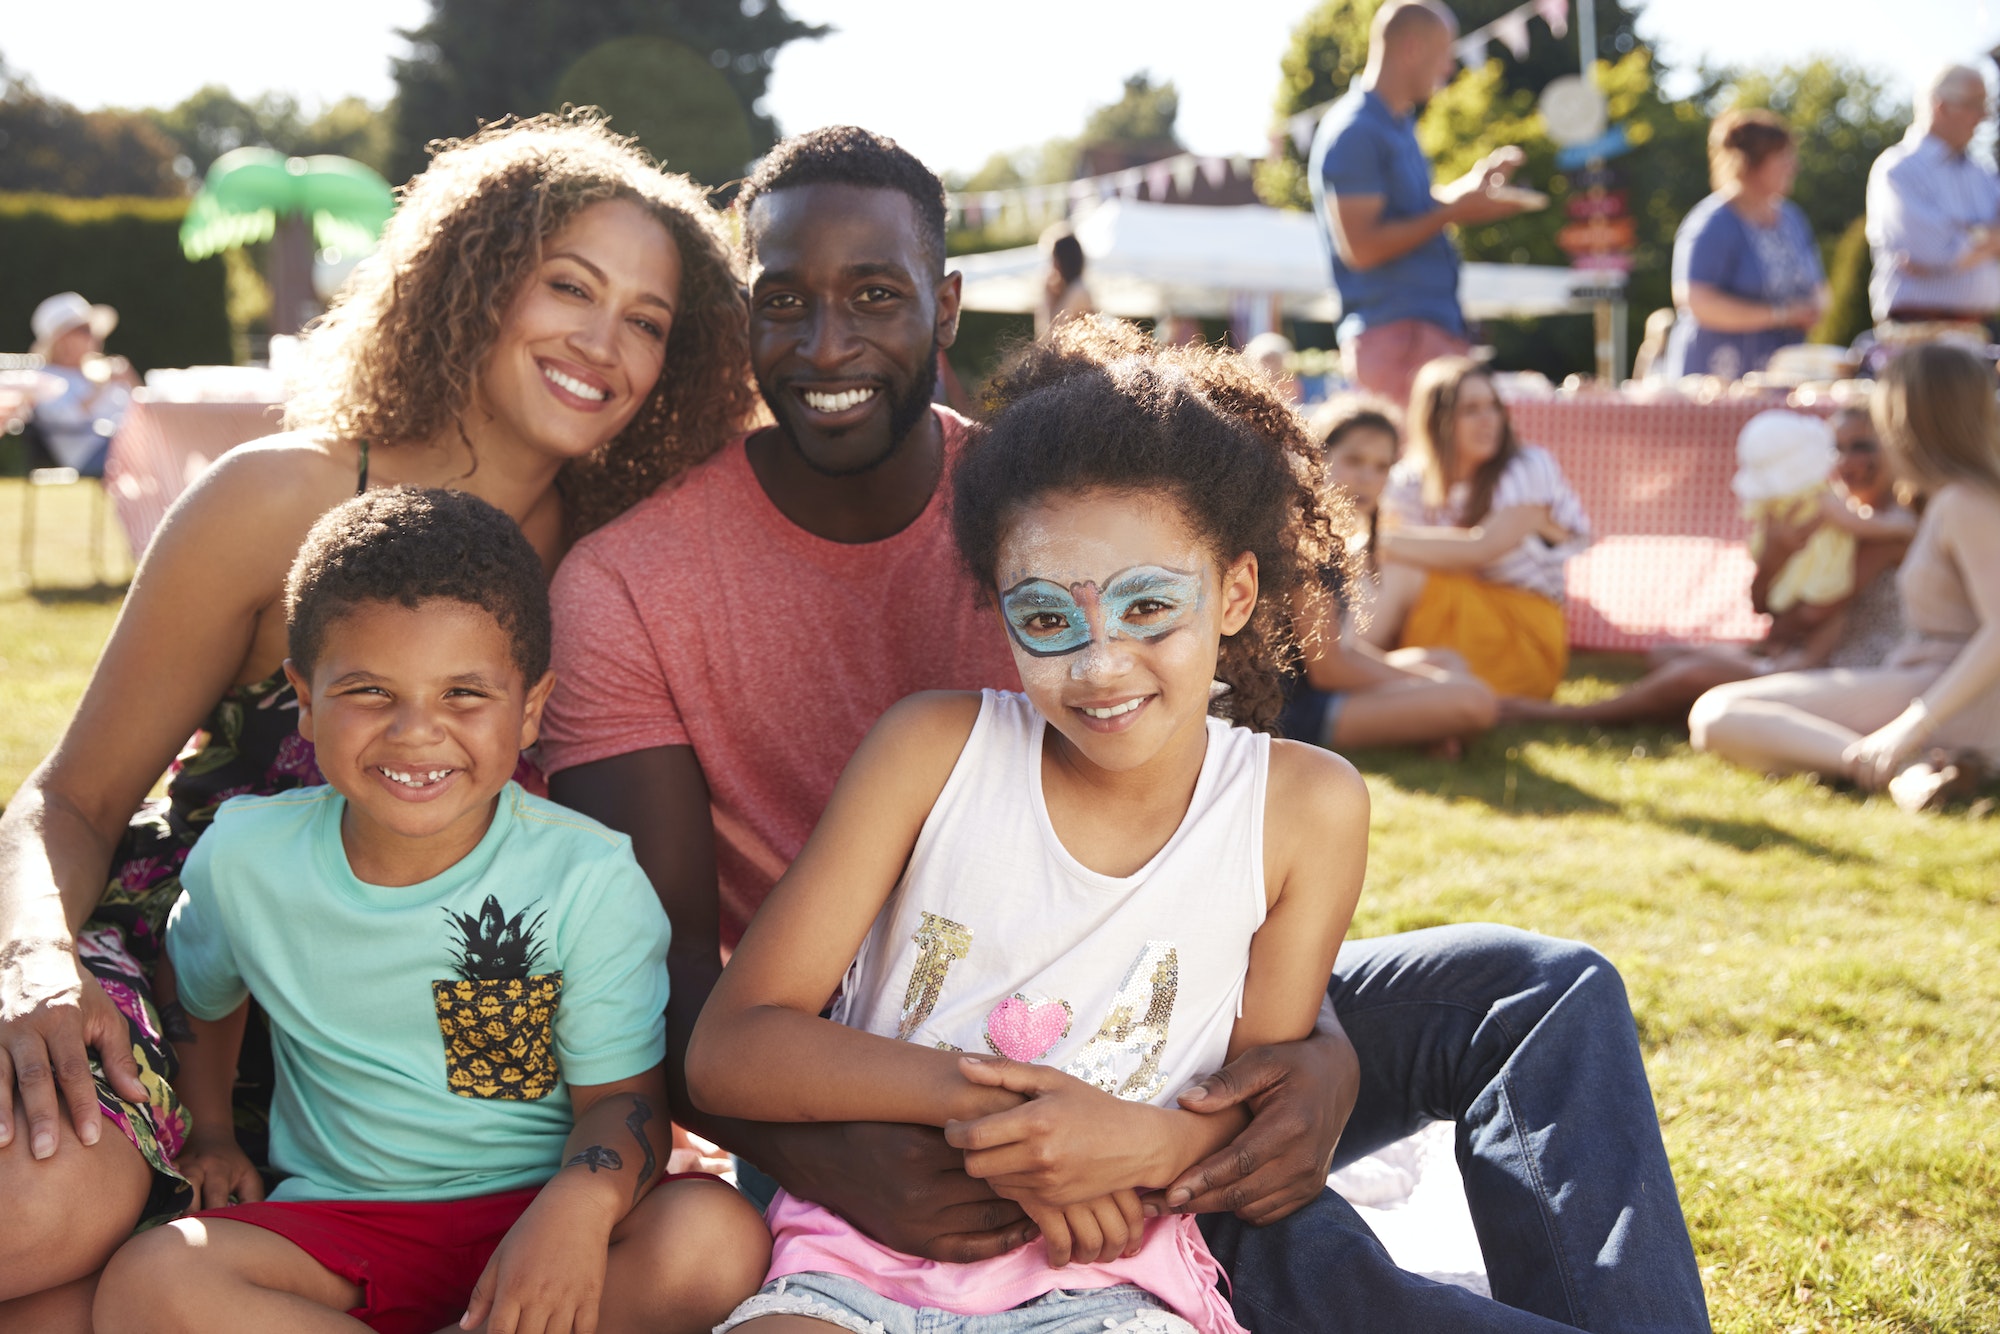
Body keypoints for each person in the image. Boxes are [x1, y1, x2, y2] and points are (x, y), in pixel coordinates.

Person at [544, 124, 1709, 1333]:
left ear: (944, 307)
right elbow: (669, 985)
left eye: (875, 295)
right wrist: (852, 1150)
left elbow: (1212, 827)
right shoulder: (641, 582)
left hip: (1157, 1025)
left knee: (1537, 990)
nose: (828, 340)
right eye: (784, 301)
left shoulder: (1071, 496)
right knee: (1265, 1231)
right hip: (861, 1066)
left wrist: (1310, 1058)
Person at [0, 112, 754, 1333]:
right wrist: (28, 959)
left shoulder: (622, 567)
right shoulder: (275, 497)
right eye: (569, 286)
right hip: (201, 976)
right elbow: (68, 800)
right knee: (37, 1215)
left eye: (648, 322)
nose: (601, 343)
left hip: (449, 1086)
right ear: (475, 280)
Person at [687, 322, 1368, 1334]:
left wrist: (1137, 1146)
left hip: (1111, 1281)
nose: (1099, 665)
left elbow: (1250, 1096)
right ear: (998, 606)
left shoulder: (1305, 809)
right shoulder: (927, 750)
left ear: (1233, 591)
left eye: (1148, 606)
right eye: (1047, 619)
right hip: (851, 1268)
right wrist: (1002, 1111)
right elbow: (729, 1049)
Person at [91, 487, 769, 1334]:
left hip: (539, 1217)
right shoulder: (245, 859)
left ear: (528, 709)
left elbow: (622, 1102)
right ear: (304, 698)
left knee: (718, 1237)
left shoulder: (586, 878)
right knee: (151, 1284)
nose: (417, 733)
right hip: (338, 1228)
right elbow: (203, 996)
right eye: (371, 692)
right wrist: (216, 1132)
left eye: (463, 696)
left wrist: (577, 1209)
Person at [1691, 343, 2000, 811]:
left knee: (1717, 714)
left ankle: (1892, 768)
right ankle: (1916, 772)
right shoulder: (1951, 499)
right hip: (1929, 688)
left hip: (1949, 697)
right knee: (1715, 709)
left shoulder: (1965, 502)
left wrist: (1910, 727)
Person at [1506, 407, 1914, 727]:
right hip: (1803, 654)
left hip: (1850, 670)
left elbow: (1807, 616)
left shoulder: (1887, 530)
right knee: (1667, 654)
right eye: (1836, 448)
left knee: (1692, 675)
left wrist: (1776, 643)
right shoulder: (1834, 518)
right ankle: (1694, 707)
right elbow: (1763, 606)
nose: (1846, 461)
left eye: (1861, 446)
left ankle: (1572, 717)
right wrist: (1776, 553)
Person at [1309, 0, 1539, 408]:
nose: (1449, 69)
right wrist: (1454, 211)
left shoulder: (1396, 125)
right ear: (1412, 47)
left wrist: (1472, 188)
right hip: (1398, 340)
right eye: (1444, 54)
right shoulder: (1355, 131)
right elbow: (1361, 247)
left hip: (1420, 335)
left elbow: (1415, 208)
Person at [1359, 357, 1590, 700]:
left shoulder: (1526, 467)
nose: (1488, 421)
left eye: (1493, 407)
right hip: (1443, 621)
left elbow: (1481, 547)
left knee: (1397, 568)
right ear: (1437, 420)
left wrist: (1376, 541)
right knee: (1380, 568)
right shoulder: (1410, 480)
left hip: (1521, 634)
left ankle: (1340, 675)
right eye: (1471, 410)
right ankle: (1357, 676)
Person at [1283, 400, 1499, 752]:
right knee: (1475, 700)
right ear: (1318, 459)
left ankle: (1425, 725)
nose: (1367, 478)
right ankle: (1429, 724)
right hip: (1297, 711)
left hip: (1325, 689)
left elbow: (1342, 649)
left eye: (1381, 467)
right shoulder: (1304, 542)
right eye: (1353, 461)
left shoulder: (1340, 538)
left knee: (1450, 662)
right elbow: (1328, 669)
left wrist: (1427, 683)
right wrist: (1423, 685)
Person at [1661, 110, 1829, 382]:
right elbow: (1696, 301)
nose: (1793, 166)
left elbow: (1818, 287)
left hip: (1781, 378)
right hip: (1715, 381)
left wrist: (1815, 307)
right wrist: (1782, 315)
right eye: (1782, 157)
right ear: (1748, 163)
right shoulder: (1712, 223)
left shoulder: (1793, 219)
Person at [1866, 64, 2000, 327]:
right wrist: (1989, 240)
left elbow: (1940, 253)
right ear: (1940, 106)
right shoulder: (1899, 170)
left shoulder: (1983, 174)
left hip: (1983, 329)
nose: (1984, 116)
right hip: (1918, 333)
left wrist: (1964, 236)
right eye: (1974, 104)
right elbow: (1933, 251)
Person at [28, 291, 136, 476]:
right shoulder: (43, 378)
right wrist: (100, 386)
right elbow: (67, 417)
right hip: (90, 454)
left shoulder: (96, 370)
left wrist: (130, 379)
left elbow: (139, 411)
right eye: (84, 330)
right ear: (61, 339)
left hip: (126, 443)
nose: (94, 335)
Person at [1035, 222, 1095, 339]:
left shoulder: (1078, 290)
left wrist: (1047, 296)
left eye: (1053, 258)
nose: (1052, 264)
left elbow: (1049, 336)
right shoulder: (1074, 288)